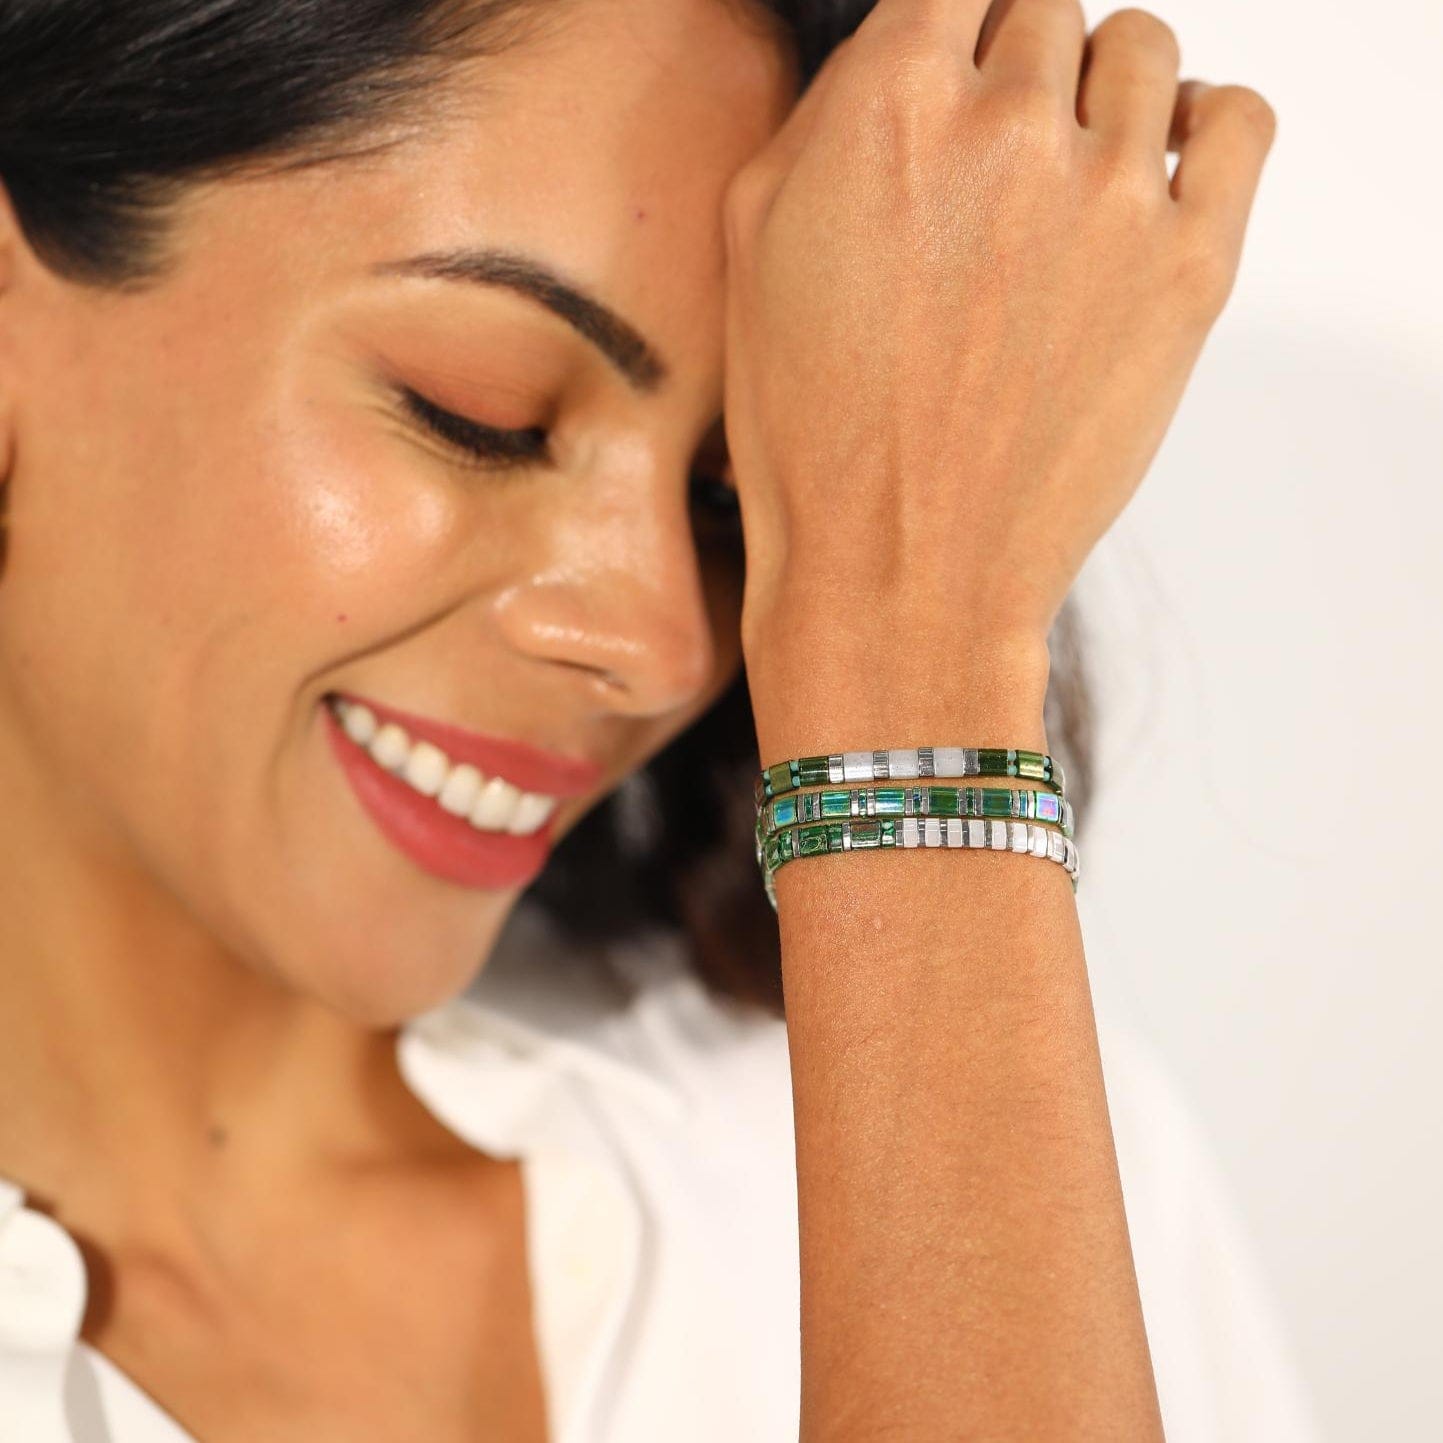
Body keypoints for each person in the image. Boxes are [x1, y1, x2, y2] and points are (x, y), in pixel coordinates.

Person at [0, 0, 1317, 1438]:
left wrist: (914, 640)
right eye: (483, 416)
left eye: (729, 505)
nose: (665, 647)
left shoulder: (1001, 1152)